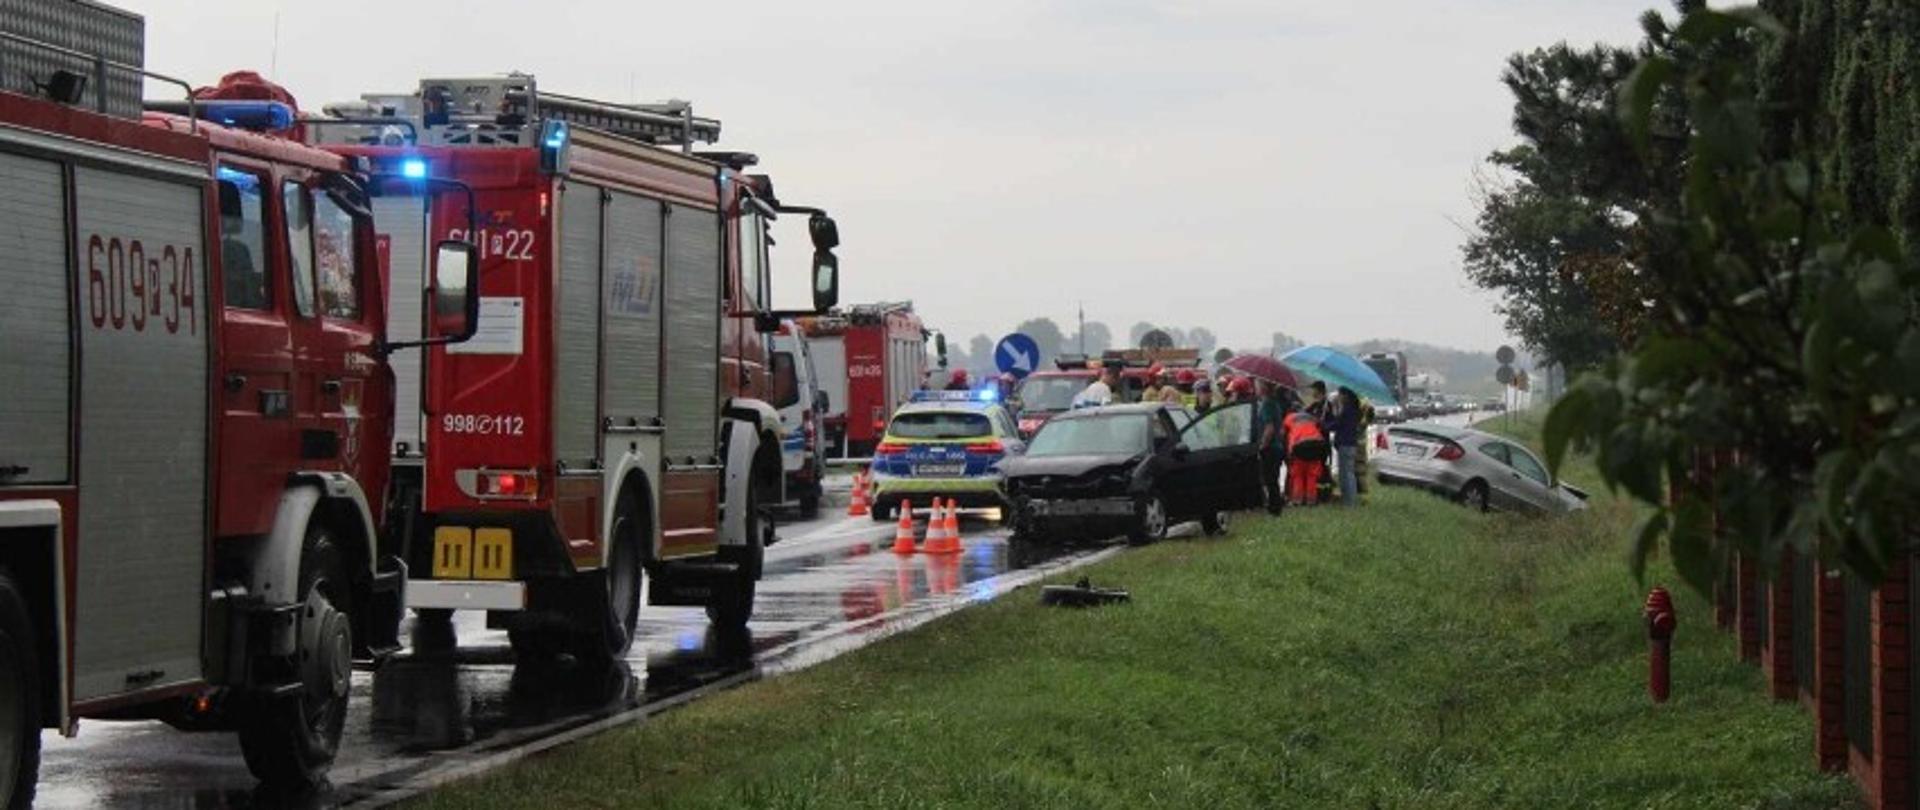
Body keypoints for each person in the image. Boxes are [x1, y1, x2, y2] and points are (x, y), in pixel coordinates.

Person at [1252, 380, 1288, 515]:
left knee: (1270, 479)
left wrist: (1262, 445)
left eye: (1257, 384)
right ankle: (1275, 506)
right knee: (1273, 479)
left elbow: (1270, 428)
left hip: (1271, 448)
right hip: (1277, 446)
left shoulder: (1267, 404)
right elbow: (1281, 429)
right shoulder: (1274, 404)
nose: (1255, 387)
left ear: (1263, 387)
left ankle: (1274, 508)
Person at [1284, 402, 1330, 505]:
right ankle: (1311, 500)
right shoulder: (1311, 417)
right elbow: (1321, 427)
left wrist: (1289, 454)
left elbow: (1285, 432)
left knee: (1298, 475)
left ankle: (1297, 500)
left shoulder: (1289, 417)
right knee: (1312, 475)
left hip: (1299, 446)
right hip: (1316, 445)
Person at [1324, 386, 1362, 506]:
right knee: (1347, 473)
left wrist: (1323, 426)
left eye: (1340, 394)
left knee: (1346, 475)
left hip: (1346, 445)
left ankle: (1349, 502)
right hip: (1350, 444)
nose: (1338, 397)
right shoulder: (1353, 409)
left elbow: (1337, 424)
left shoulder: (1348, 410)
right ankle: (1349, 500)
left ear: (1346, 396)